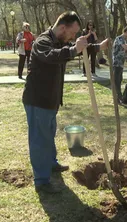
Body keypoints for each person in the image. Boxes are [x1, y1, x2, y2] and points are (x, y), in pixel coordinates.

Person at [22, 11, 109, 194]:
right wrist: (73, 48)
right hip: (38, 100)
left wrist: (97, 47)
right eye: (72, 33)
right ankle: (41, 181)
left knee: (49, 134)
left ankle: (51, 164)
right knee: (39, 140)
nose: (73, 37)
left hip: (50, 101)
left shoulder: (59, 41)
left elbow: (75, 49)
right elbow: (53, 55)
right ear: (63, 28)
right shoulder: (42, 42)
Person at [113, 25, 127, 103]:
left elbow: (126, 48)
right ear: (126, 32)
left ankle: (118, 98)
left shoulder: (123, 40)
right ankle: (119, 98)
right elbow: (125, 47)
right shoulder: (119, 38)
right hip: (116, 63)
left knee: (119, 80)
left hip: (120, 63)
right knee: (116, 81)